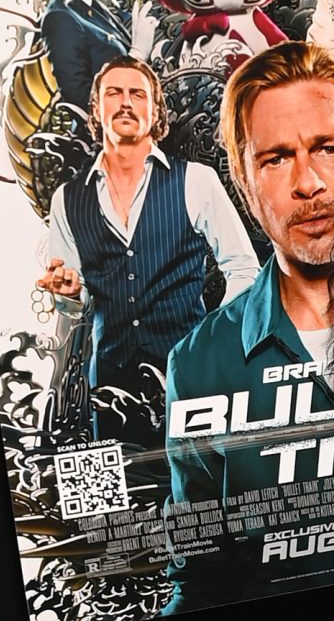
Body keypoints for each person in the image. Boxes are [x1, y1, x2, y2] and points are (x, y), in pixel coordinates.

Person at [165, 42, 334, 609]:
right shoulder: (200, 366)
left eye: (328, 148)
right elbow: (201, 576)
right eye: (277, 159)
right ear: (244, 183)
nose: (308, 183)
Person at [36, 56, 258, 448]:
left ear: (155, 111)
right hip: (109, 386)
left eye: (137, 94)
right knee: (119, 486)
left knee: (202, 479)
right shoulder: (66, 199)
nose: (125, 102)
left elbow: (244, 270)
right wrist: (69, 294)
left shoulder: (195, 180)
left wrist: (210, 341)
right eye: (114, 93)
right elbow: (74, 304)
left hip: (190, 376)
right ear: (96, 108)